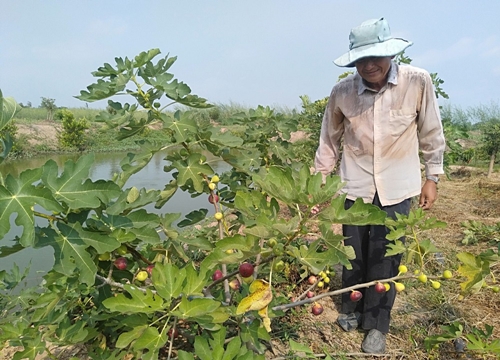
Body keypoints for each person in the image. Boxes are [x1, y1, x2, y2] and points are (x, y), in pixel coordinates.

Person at [314, 18, 446, 354]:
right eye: (361, 59)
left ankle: (377, 324)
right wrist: (318, 184)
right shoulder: (342, 92)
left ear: (390, 54)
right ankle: (351, 308)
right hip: (353, 185)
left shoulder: (417, 81)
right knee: (352, 253)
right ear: (353, 60)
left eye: (376, 57)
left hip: (398, 187)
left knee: (386, 258)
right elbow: (328, 141)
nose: (369, 65)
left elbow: (431, 131)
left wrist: (432, 177)